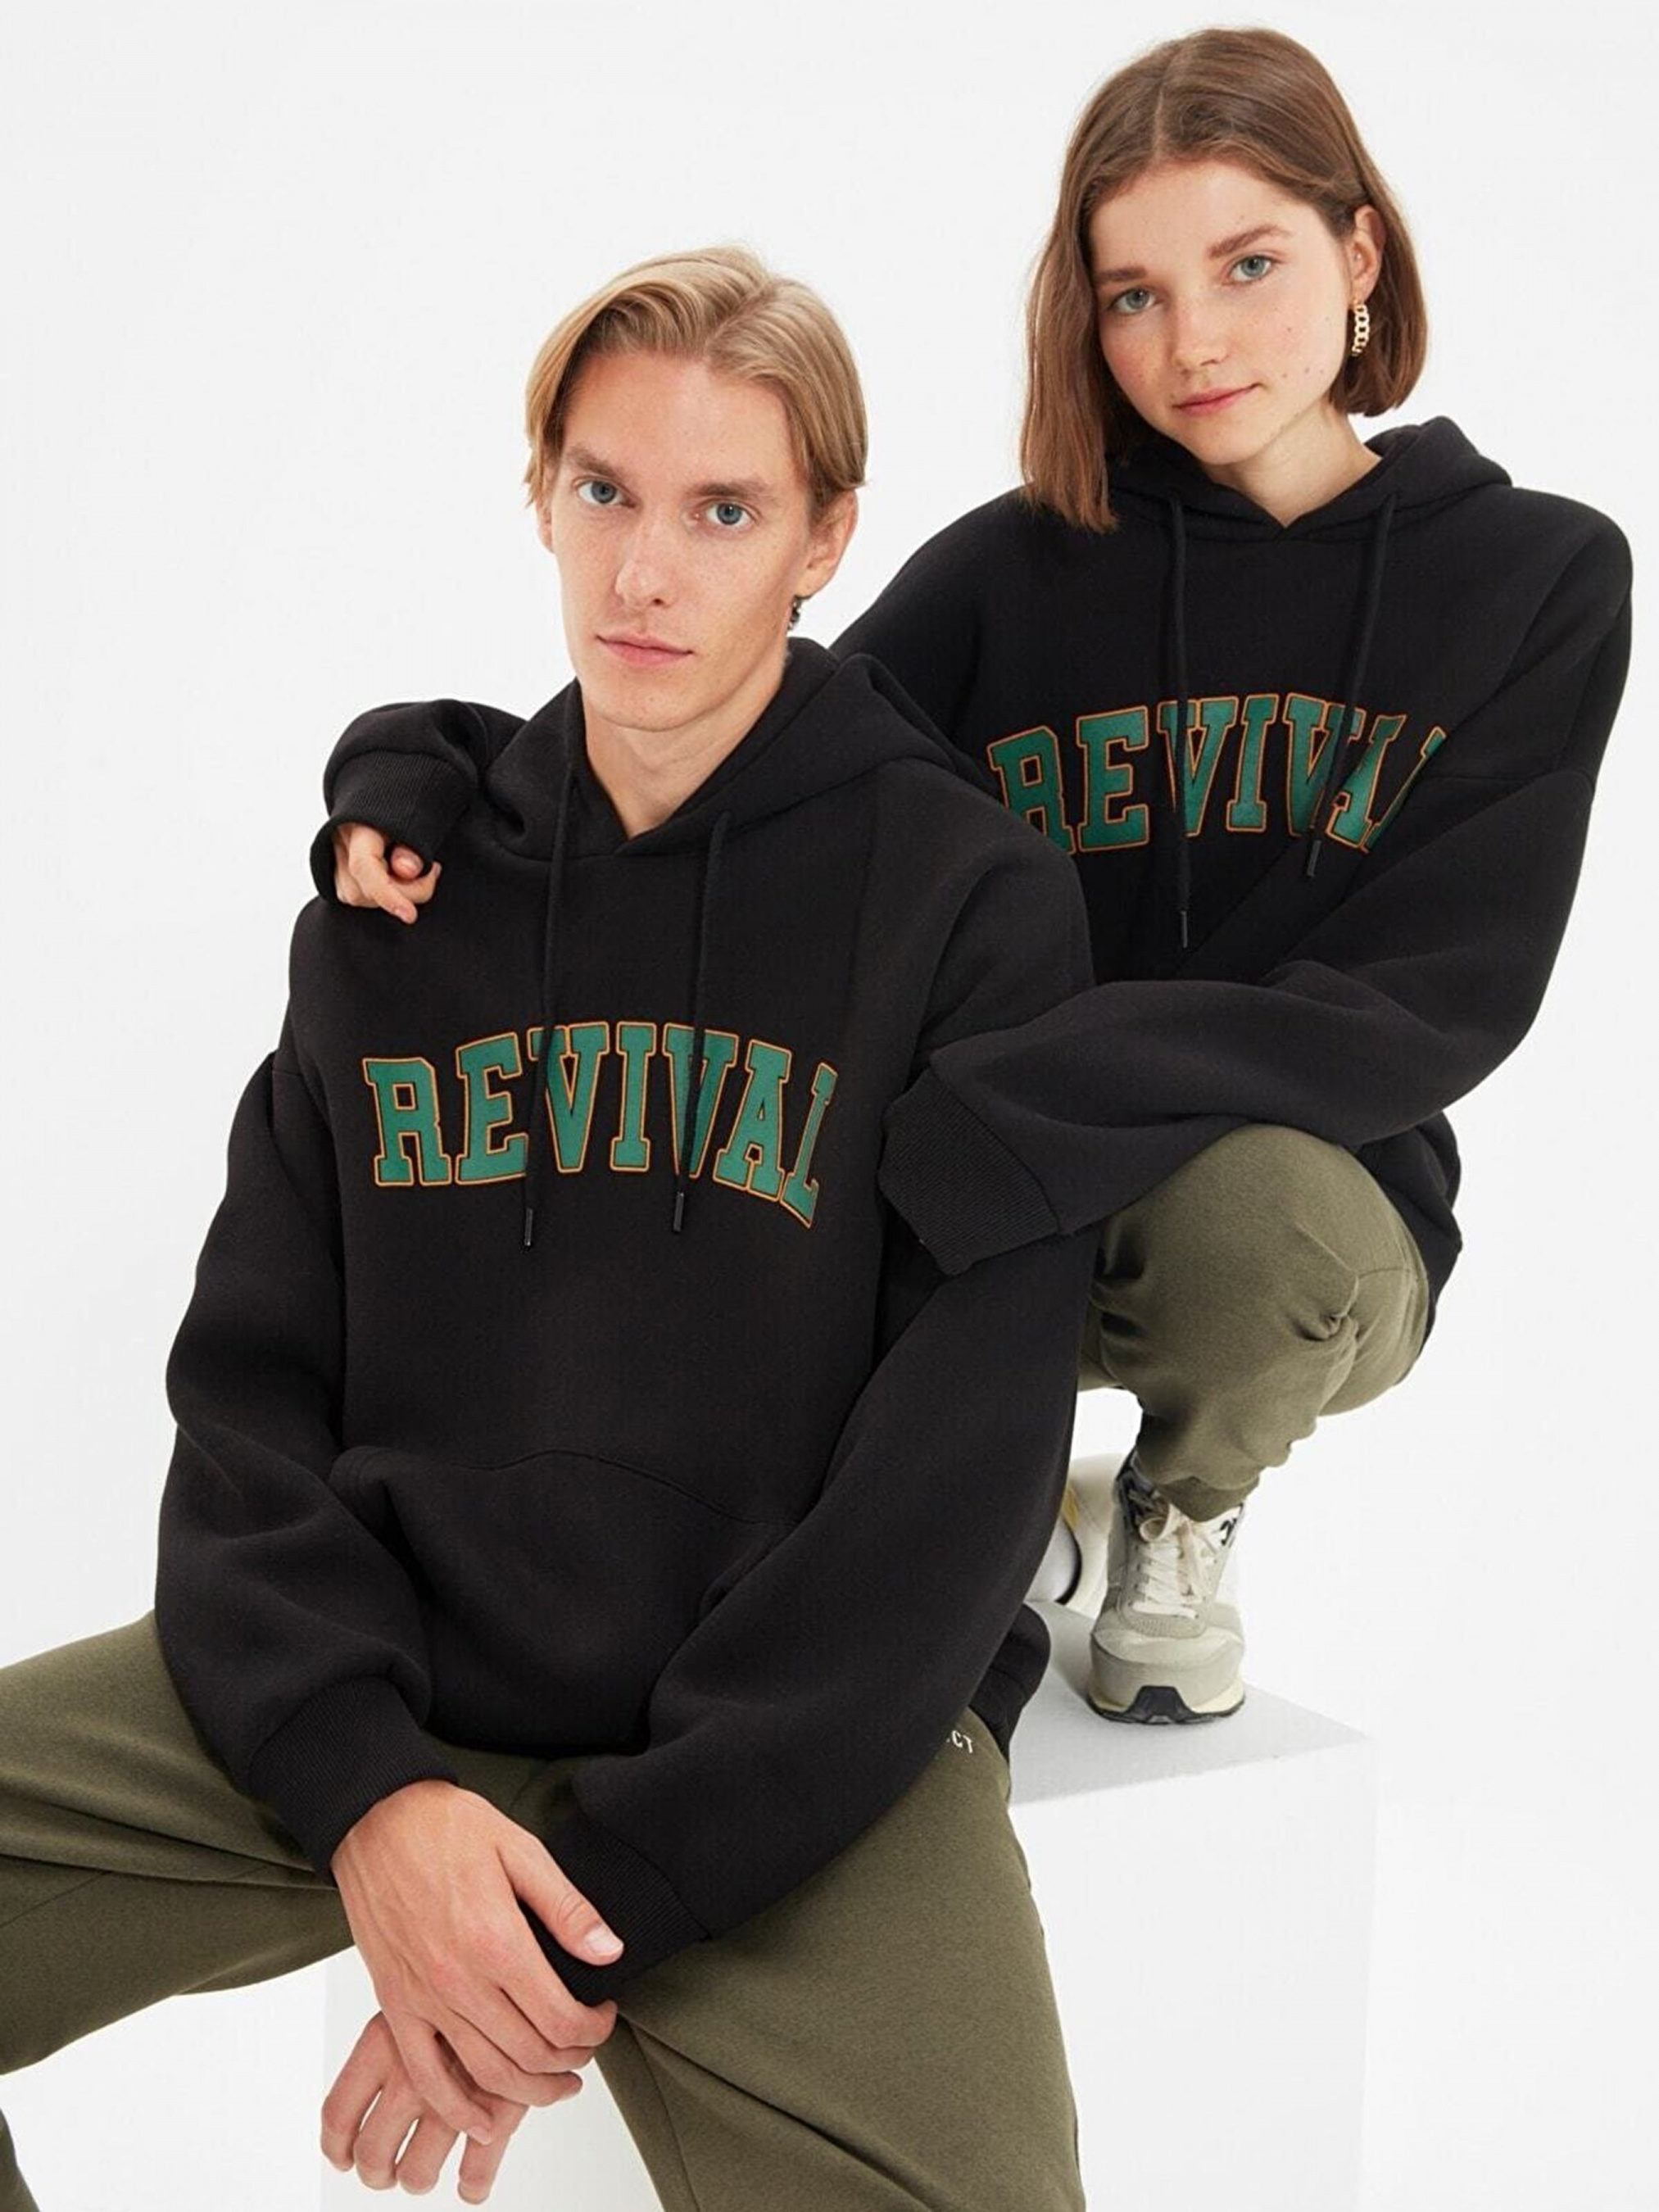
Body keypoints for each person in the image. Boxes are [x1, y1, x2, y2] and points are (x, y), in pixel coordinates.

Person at [311, 25, 1634, 1729]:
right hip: (965, 1185)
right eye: (1133, 293)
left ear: (1359, 252)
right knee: (732, 1127)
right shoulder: (1017, 571)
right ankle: (950, 1513)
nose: (1193, 340)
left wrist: (1030, 1096)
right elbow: (738, 744)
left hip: (1245, 1191)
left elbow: (1432, 994)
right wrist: (421, 763)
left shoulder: (1534, 577)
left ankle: (1175, 1508)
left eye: (1246, 265)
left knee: (1267, 1236)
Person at [0, 247, 1100, 2212]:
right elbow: (249, 1395)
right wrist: (368, 1796)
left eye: (722, 511)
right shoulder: (401, 900)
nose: (643, 573)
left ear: (825, 539)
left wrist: (584, 1912)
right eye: (604, 490)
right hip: (395, 1688)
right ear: (540, 493)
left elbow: (954, 1480)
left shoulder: (965, 904)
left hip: (783, 1759)